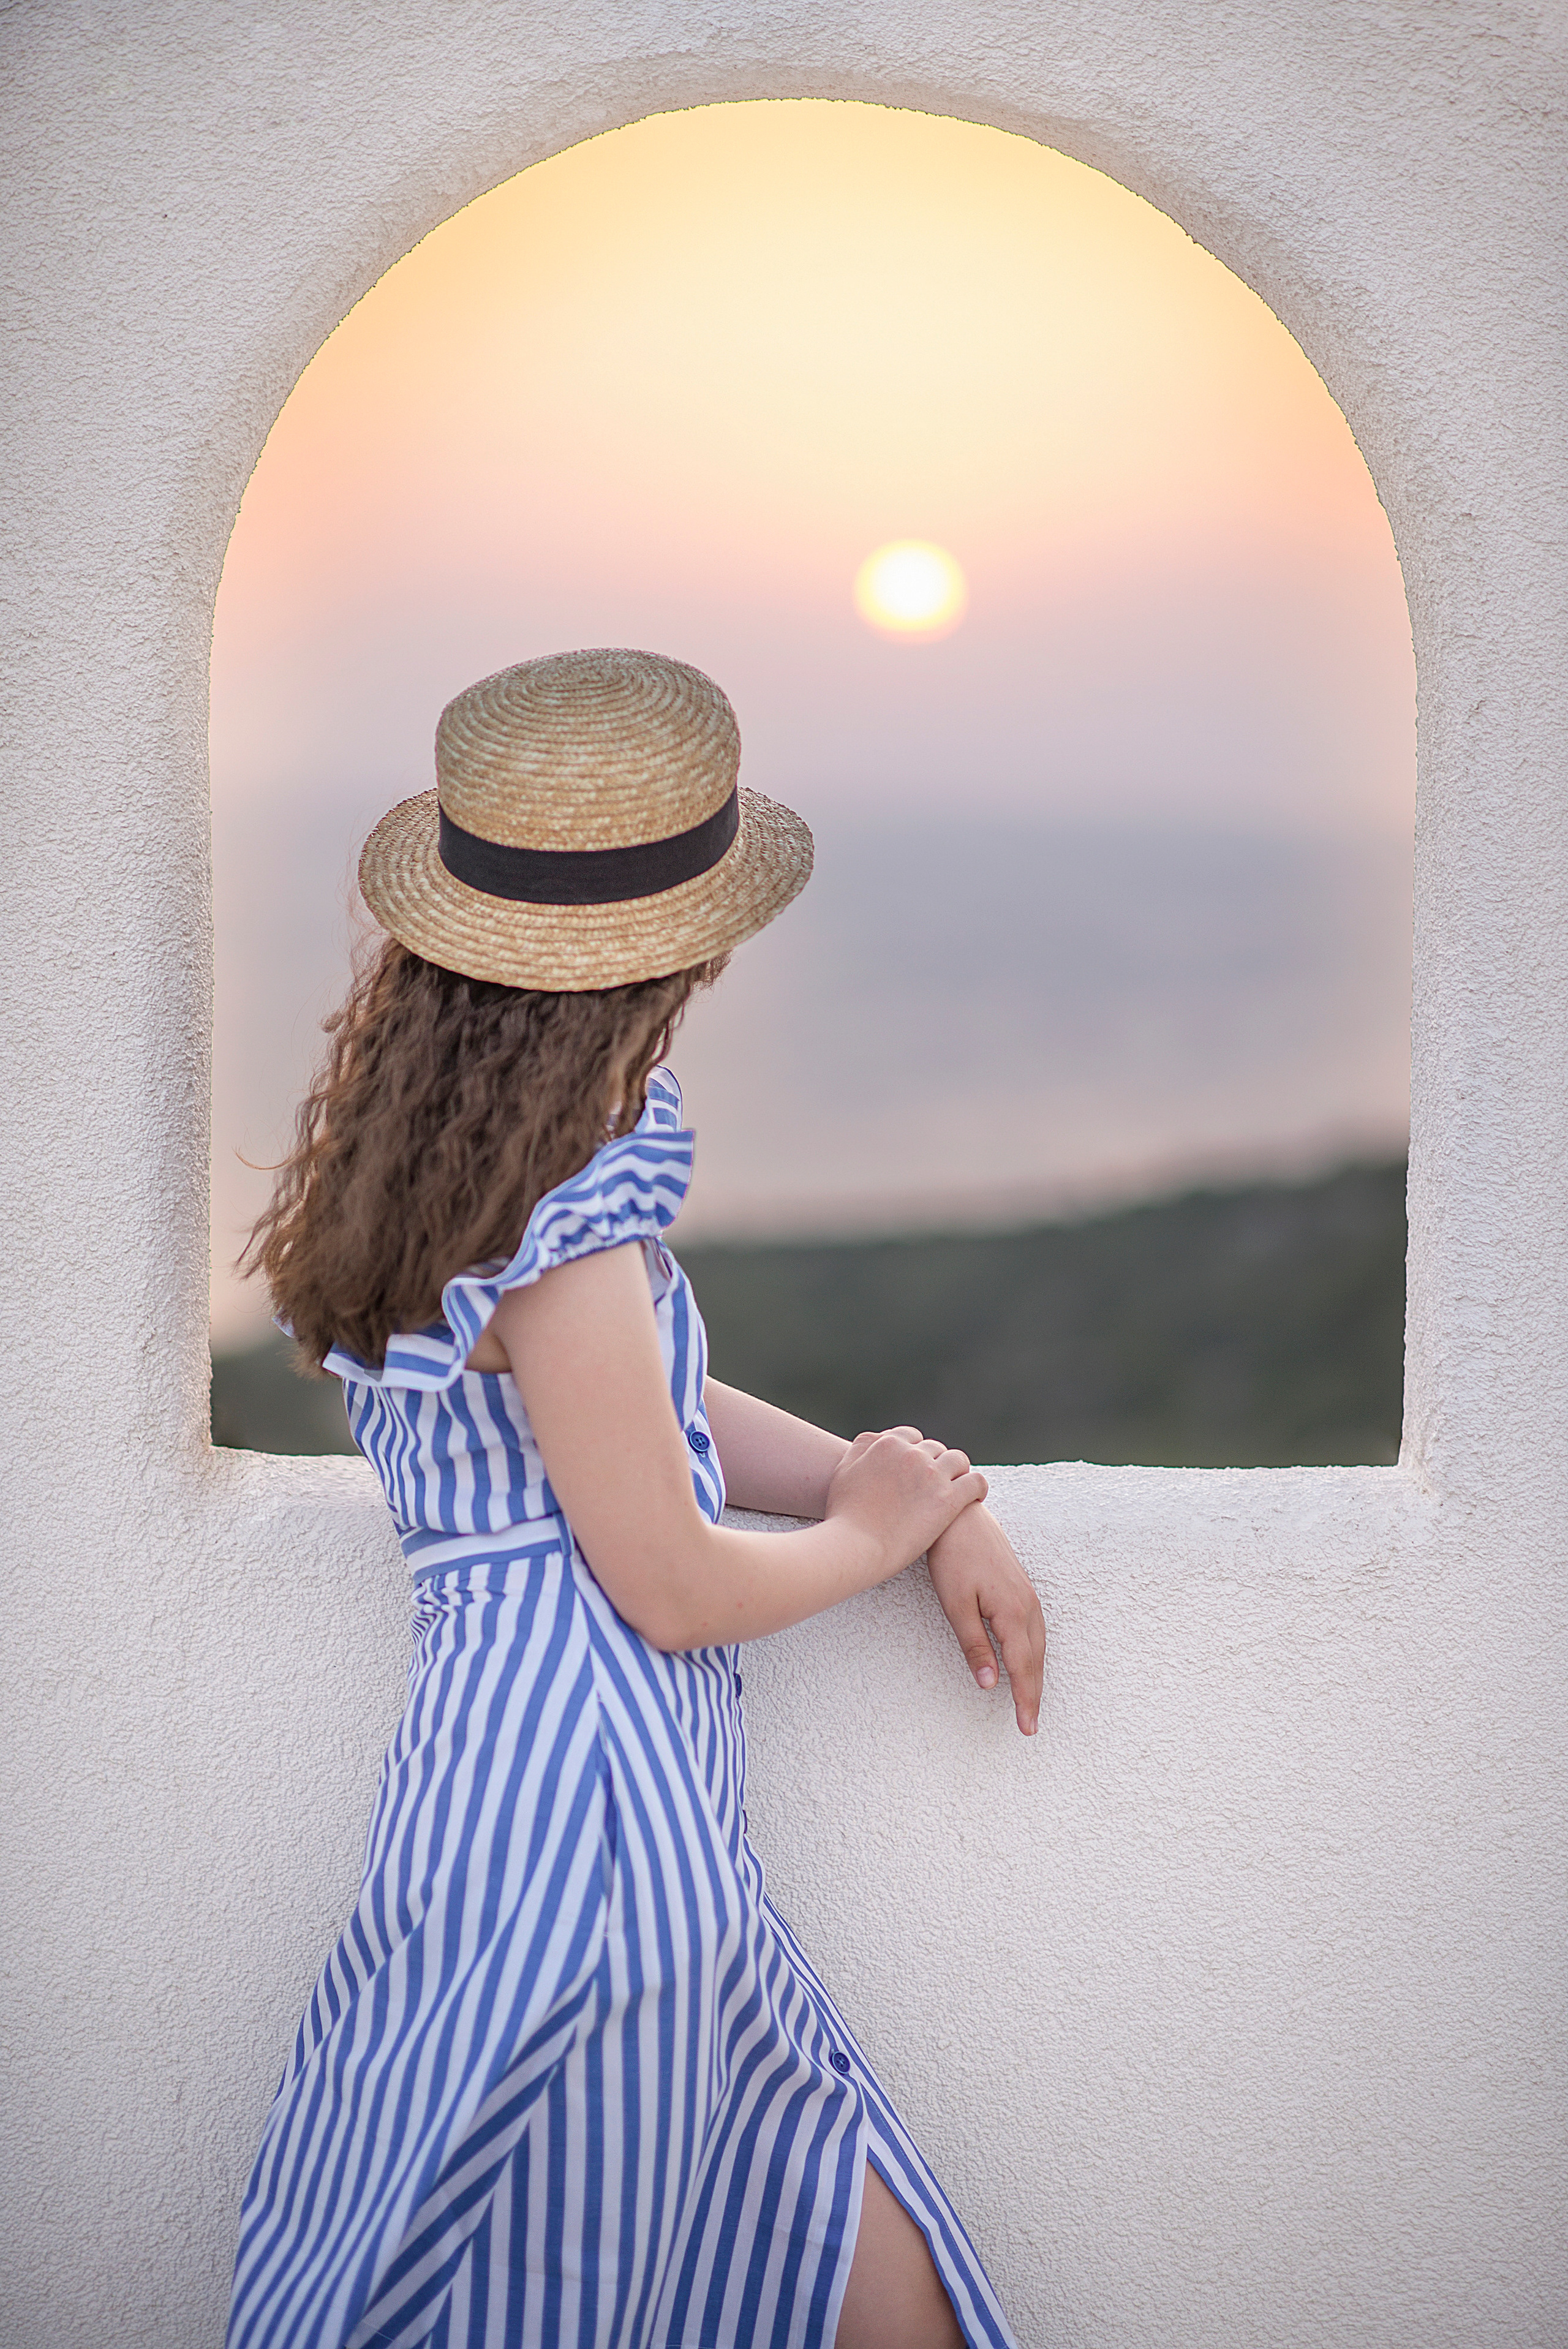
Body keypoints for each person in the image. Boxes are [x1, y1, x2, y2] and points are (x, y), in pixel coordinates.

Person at [225, 647, 1044, 2349]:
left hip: (514, 1800)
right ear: (674, 947)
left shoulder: (451, 1170)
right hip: (598, 1826)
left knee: (809, 2257)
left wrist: (891, 1477)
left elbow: (640, 1415)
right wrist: (874, 1537)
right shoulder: (568, 1211)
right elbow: (667, 1579)